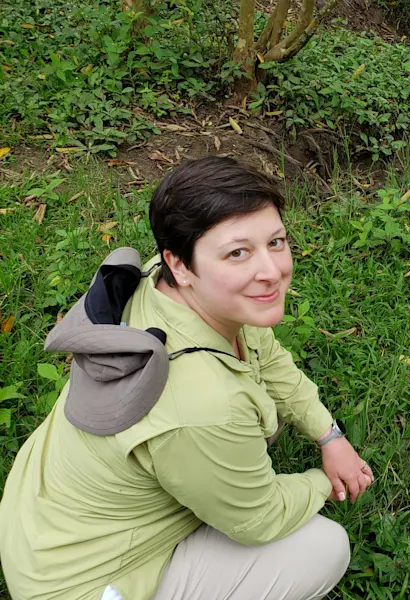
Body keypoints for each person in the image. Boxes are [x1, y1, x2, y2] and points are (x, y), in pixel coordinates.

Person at [0, 156, 373, 600]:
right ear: (180, 264)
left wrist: (329, 436)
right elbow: (261, 519)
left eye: (275, 241)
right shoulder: (204, 406)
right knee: (324, 548)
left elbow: (267, 355)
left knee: (244, 433)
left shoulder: (168, 286)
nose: (271, 271)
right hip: (76, 583)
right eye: (238, 252)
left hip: (43, 521)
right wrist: (323, 480)